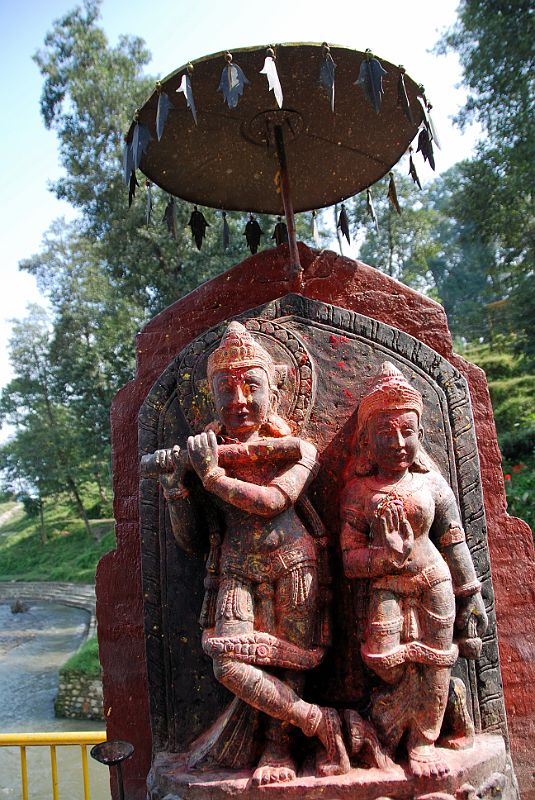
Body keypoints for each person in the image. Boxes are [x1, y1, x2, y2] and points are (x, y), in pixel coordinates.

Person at [156, 321, 349, 785]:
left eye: (251, 386)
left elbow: (272, 503)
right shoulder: (208, 452)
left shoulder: (298, 450)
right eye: (227, 389)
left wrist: (213, 477)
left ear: (275, 390)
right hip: (236, 567)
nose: (239, 400)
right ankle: (317, 721)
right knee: (228, 661)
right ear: (211, 396)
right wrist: (175, 489)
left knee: (287, 660)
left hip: (295, 562)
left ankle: (279, 749)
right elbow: (192, 541)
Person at [340, 362, 487, 778]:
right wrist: (384, 557)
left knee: (437, 661)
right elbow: (349, 560)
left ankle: (423, 740)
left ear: (420, 436)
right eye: (386, 435)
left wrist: (471, 595)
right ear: (367, 442)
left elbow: (453, 540)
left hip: (433, 580)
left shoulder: (432, 485)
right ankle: (395, 722)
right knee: (385, 660)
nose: (399, 443)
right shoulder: (358, 492)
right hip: (385, 584)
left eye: (408, 432)